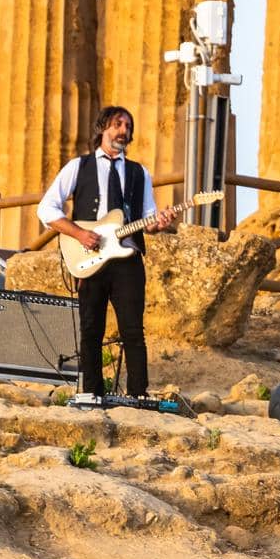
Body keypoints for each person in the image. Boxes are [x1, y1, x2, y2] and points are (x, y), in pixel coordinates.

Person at [38, 105, 176, 397]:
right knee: (91, 328)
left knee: (133, 331)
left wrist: (160, 222)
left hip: (127, 257)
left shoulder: (139, 172)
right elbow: (47, 208)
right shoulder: (79, 166)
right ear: (102, 128)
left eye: (128, 126)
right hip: (91, 256)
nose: (123, 131)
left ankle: (138, 394)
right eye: (117, 124)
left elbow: (148, 217)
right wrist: (78, 233)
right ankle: (92, 393)